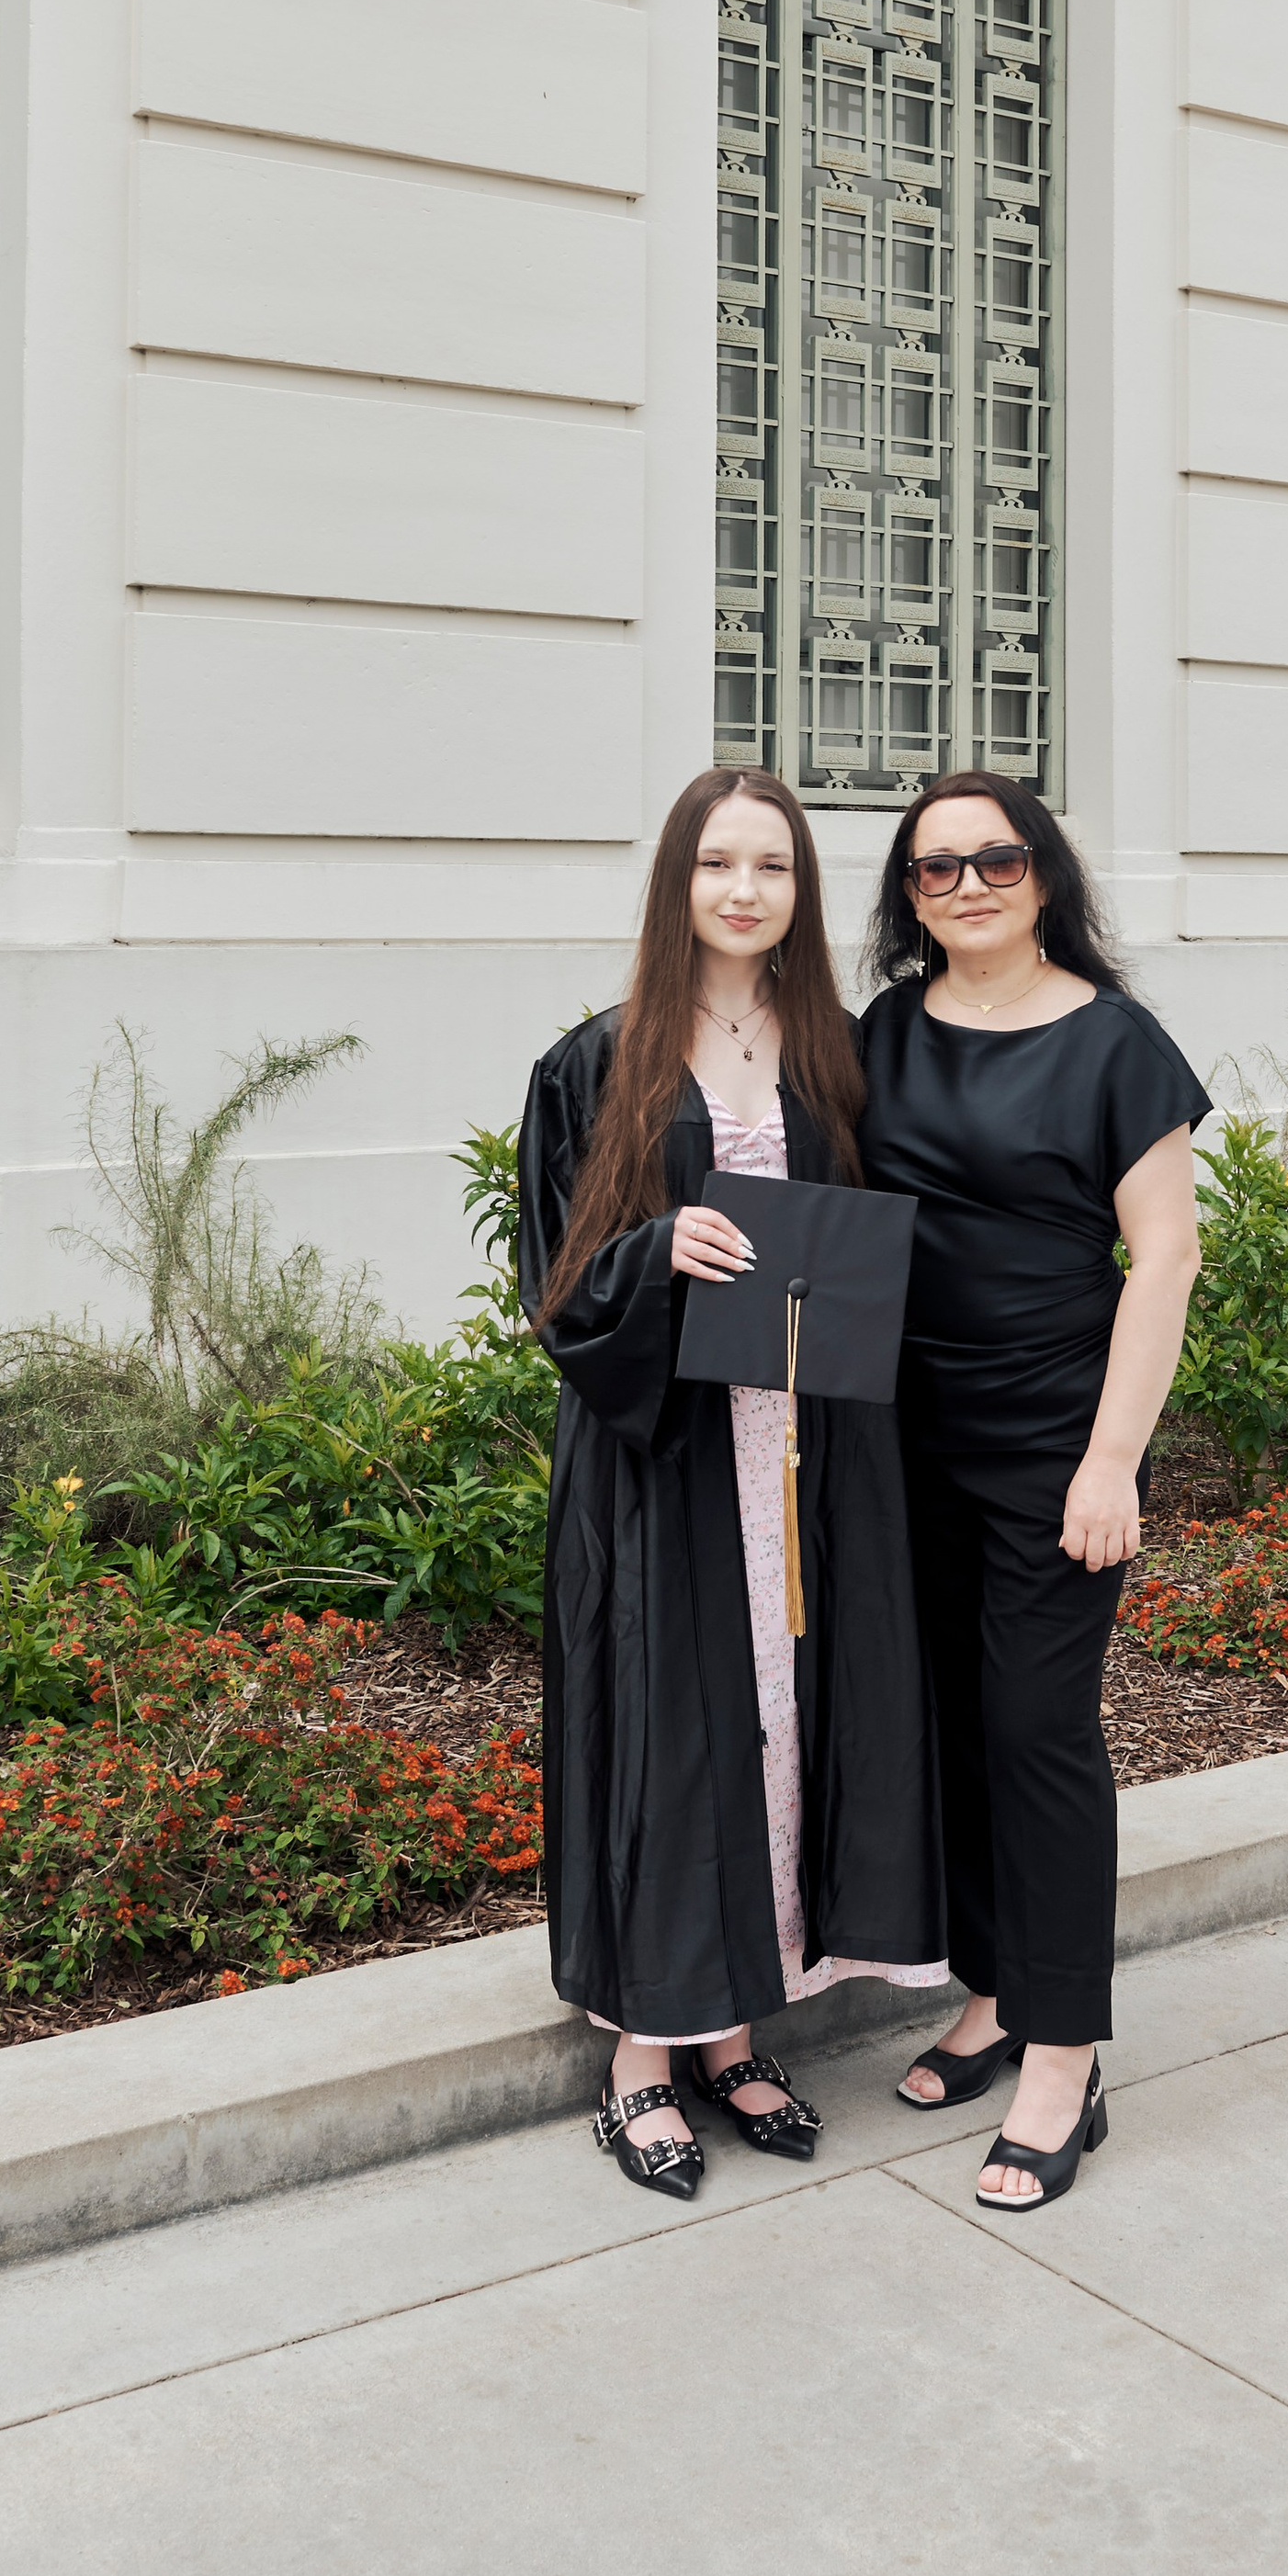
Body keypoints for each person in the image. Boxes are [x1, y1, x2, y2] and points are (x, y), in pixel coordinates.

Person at [517, 768, 946, 2203]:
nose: (746, 888)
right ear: (678, 884)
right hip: (669, 1457)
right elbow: (557, 1290)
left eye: (772, 864)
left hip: (809, 1456)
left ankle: (736, 2026)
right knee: (674, 1733)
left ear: (800, 890)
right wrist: (660, 1253)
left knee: (779, 1724)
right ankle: (643, 2052)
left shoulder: (833, 1053)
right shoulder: (601, 1062)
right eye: (718, 863)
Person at [856, 771, 1207, 2213]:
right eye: (937, 869)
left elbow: (1165, 1258)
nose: (970, 884)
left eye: (997, 857)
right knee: (952, 1730)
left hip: (1053, 1450)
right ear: (911, 897)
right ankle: (995, 1991)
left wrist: (1112, 1456)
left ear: (1045, 874)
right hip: (896, 1441)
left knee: (1037, 1734)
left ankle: (1065, 2054)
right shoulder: (885, 1033)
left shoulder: (1116, 1043)